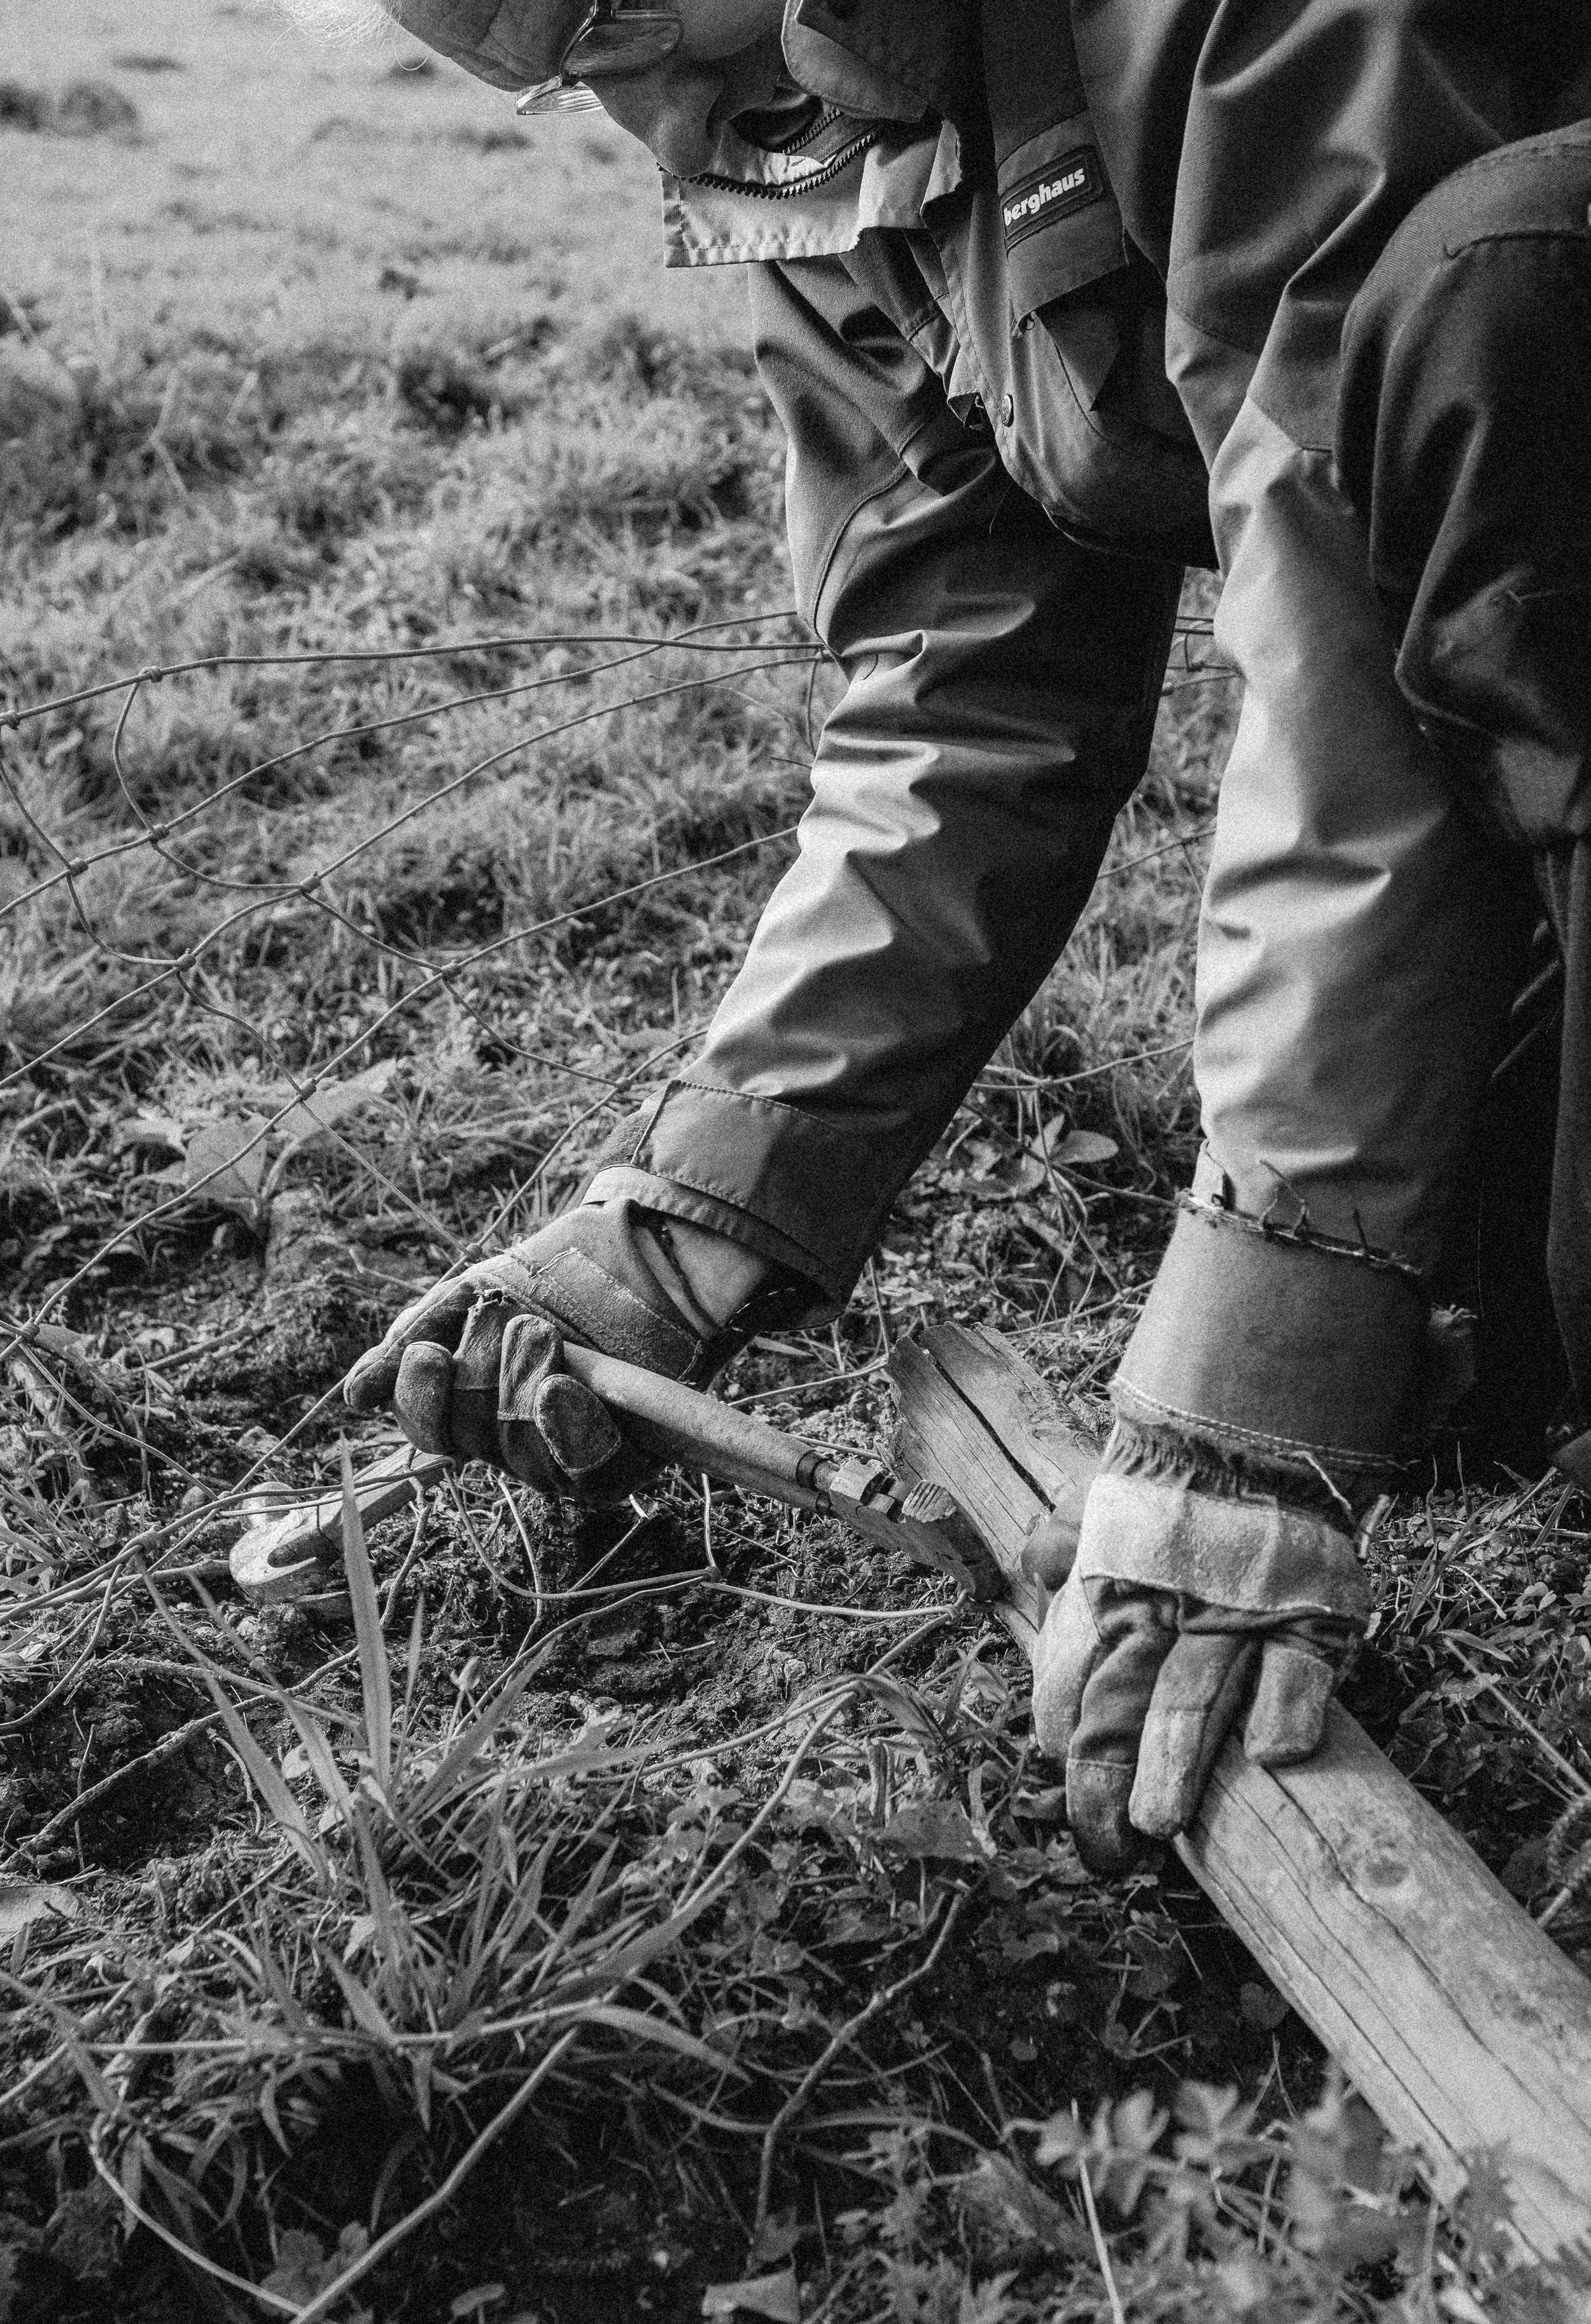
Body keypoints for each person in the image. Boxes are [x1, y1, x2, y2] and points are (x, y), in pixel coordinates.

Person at [294, 0, 1591, 1872]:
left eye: (617, 8)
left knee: (1502, 303)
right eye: (544, 64)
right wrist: (685, 1220)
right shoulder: (814, 135)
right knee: (1503, 1303)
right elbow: (963, 688)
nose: (642, 108)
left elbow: (1339, 568)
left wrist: (1253, 1376)